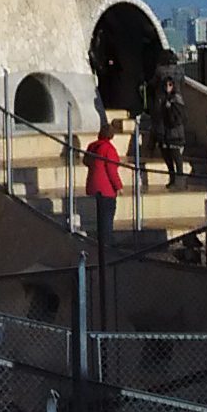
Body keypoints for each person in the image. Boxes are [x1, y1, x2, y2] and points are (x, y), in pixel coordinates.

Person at [82, 117, 126, 310]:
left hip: (94, 185)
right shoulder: (109, 149)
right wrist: (119, 186)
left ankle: (101, 238)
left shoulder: (93, 146)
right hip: (107, 188)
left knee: (101, 214)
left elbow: (86, 161)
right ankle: (107, 242)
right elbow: (112, 170)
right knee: (109, 214)